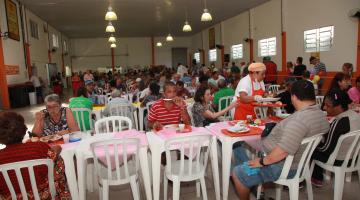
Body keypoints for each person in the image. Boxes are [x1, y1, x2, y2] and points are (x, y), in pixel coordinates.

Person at [231, 80, 329, 200]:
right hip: (300, 163)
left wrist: (262, 162)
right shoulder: (320, 115)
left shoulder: (299, 121)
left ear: (294, 97)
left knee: (237, 173)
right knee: (242, 147)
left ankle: (250, 182)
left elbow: (282, 151)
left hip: (281, 166)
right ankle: (257, 186)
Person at [0, 112, 70, 199]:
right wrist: (57, 149)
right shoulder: (39, 147)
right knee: (57, 162)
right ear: (23, 129)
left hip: (10, 197)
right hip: (42, 196)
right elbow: (56, 160)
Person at [311, 89, 360, 187]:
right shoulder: (356, 115)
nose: (324, 108)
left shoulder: (339, 123)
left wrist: (316, 142)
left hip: (339, 160)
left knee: (310, 149)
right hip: (354, 158)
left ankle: (316, 178)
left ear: (339, 107)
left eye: (328, 106)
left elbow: (326, 149)